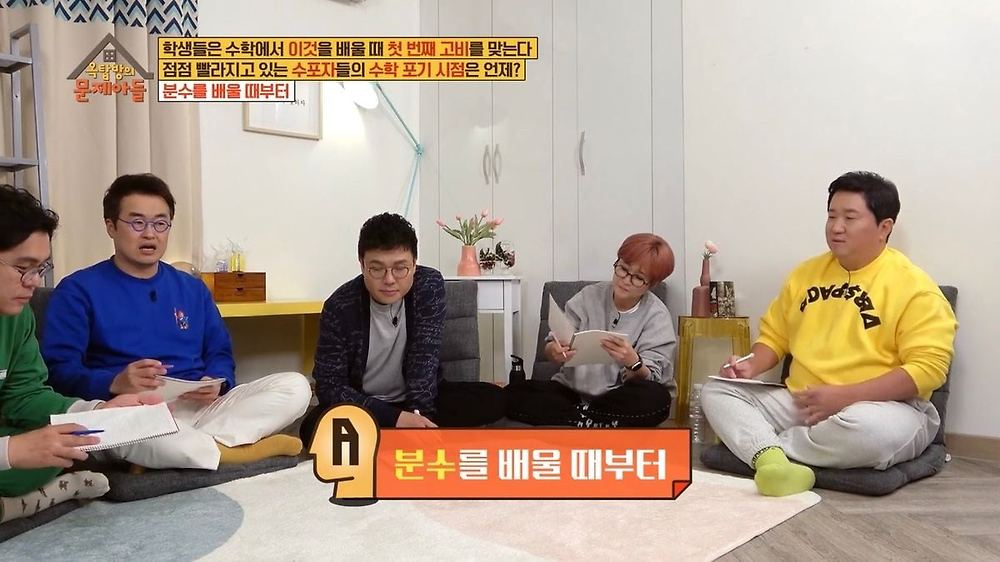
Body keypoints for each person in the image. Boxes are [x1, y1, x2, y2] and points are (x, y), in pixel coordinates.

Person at [702, 171, 957, 497]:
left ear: (884, 227)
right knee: (716, 391)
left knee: (871, 434)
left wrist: (844, 396)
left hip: (883, 408)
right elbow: (775, 337)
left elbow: (927, 370)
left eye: (849, 218)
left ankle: (764, 446)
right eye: (831, 216)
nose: (836, 227)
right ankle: (775, 464)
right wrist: (750, 366)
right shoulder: (805, 274)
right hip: (804, 402)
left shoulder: (916, 288)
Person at [41, 174, 311, 471]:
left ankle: (184, 449)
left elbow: (219, 352)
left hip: (200, 409)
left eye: (161, 223)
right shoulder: (78, 290)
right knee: (118, 427)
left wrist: (216, 382)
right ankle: (229, 451)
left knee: (295, 387)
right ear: (111, 226)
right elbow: (58, 372)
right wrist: (114, 382)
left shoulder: (192, 288)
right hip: (131, 409)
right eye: (137, 223)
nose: (150, 234)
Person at [0, 184, 161, 522]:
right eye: (23, 267)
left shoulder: (17, 316)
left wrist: (96, 412)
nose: (34, 282)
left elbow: (25, 396)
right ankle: (32, 498)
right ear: (111, 226)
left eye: (40, 268)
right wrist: (11, 451)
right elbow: (65, 368)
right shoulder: (82, 288)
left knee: (59, 448)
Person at [300, 213, 506, 441]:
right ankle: (389, 430)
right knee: (312, 427)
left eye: (400, 268)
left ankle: (383, 436)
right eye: (377, 269)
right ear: (362, 265)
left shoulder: (428, 286)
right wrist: (395, 418)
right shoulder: (339, 306)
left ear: (414, 264)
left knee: (493, 399)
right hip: (364, 404)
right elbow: (330, 385)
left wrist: (418, 418)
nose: (389, 279)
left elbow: (424, 361)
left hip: (419, 399)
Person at [505, 233, 676, 428]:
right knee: (514, 393)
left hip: (619, 397)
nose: (626, 280)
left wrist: (633, 362)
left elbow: (651, 378)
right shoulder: (588, 296)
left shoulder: (657, 315)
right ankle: (592, 419)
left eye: (638, 278)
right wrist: (555, 351)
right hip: (570, 392)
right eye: (623, 269)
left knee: (657, 400)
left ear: (651, 285)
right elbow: (552, 346)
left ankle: (578, 418)